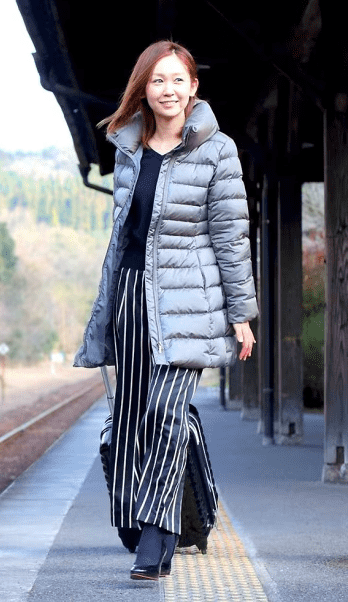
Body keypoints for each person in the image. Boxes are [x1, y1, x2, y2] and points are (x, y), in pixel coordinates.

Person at [73, 40, 258, 581]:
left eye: (178, 79)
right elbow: (122, 235)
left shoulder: (218, 149)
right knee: (130, 414)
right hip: (131, 294)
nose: (168, 90)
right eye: (157, 81)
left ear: (193, 87)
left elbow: (230, 235)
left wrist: (240, 312)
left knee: (167, 411)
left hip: (189, 301)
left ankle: (158, 536)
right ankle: (134, 519)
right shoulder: (126, 147)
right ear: (143, 89)